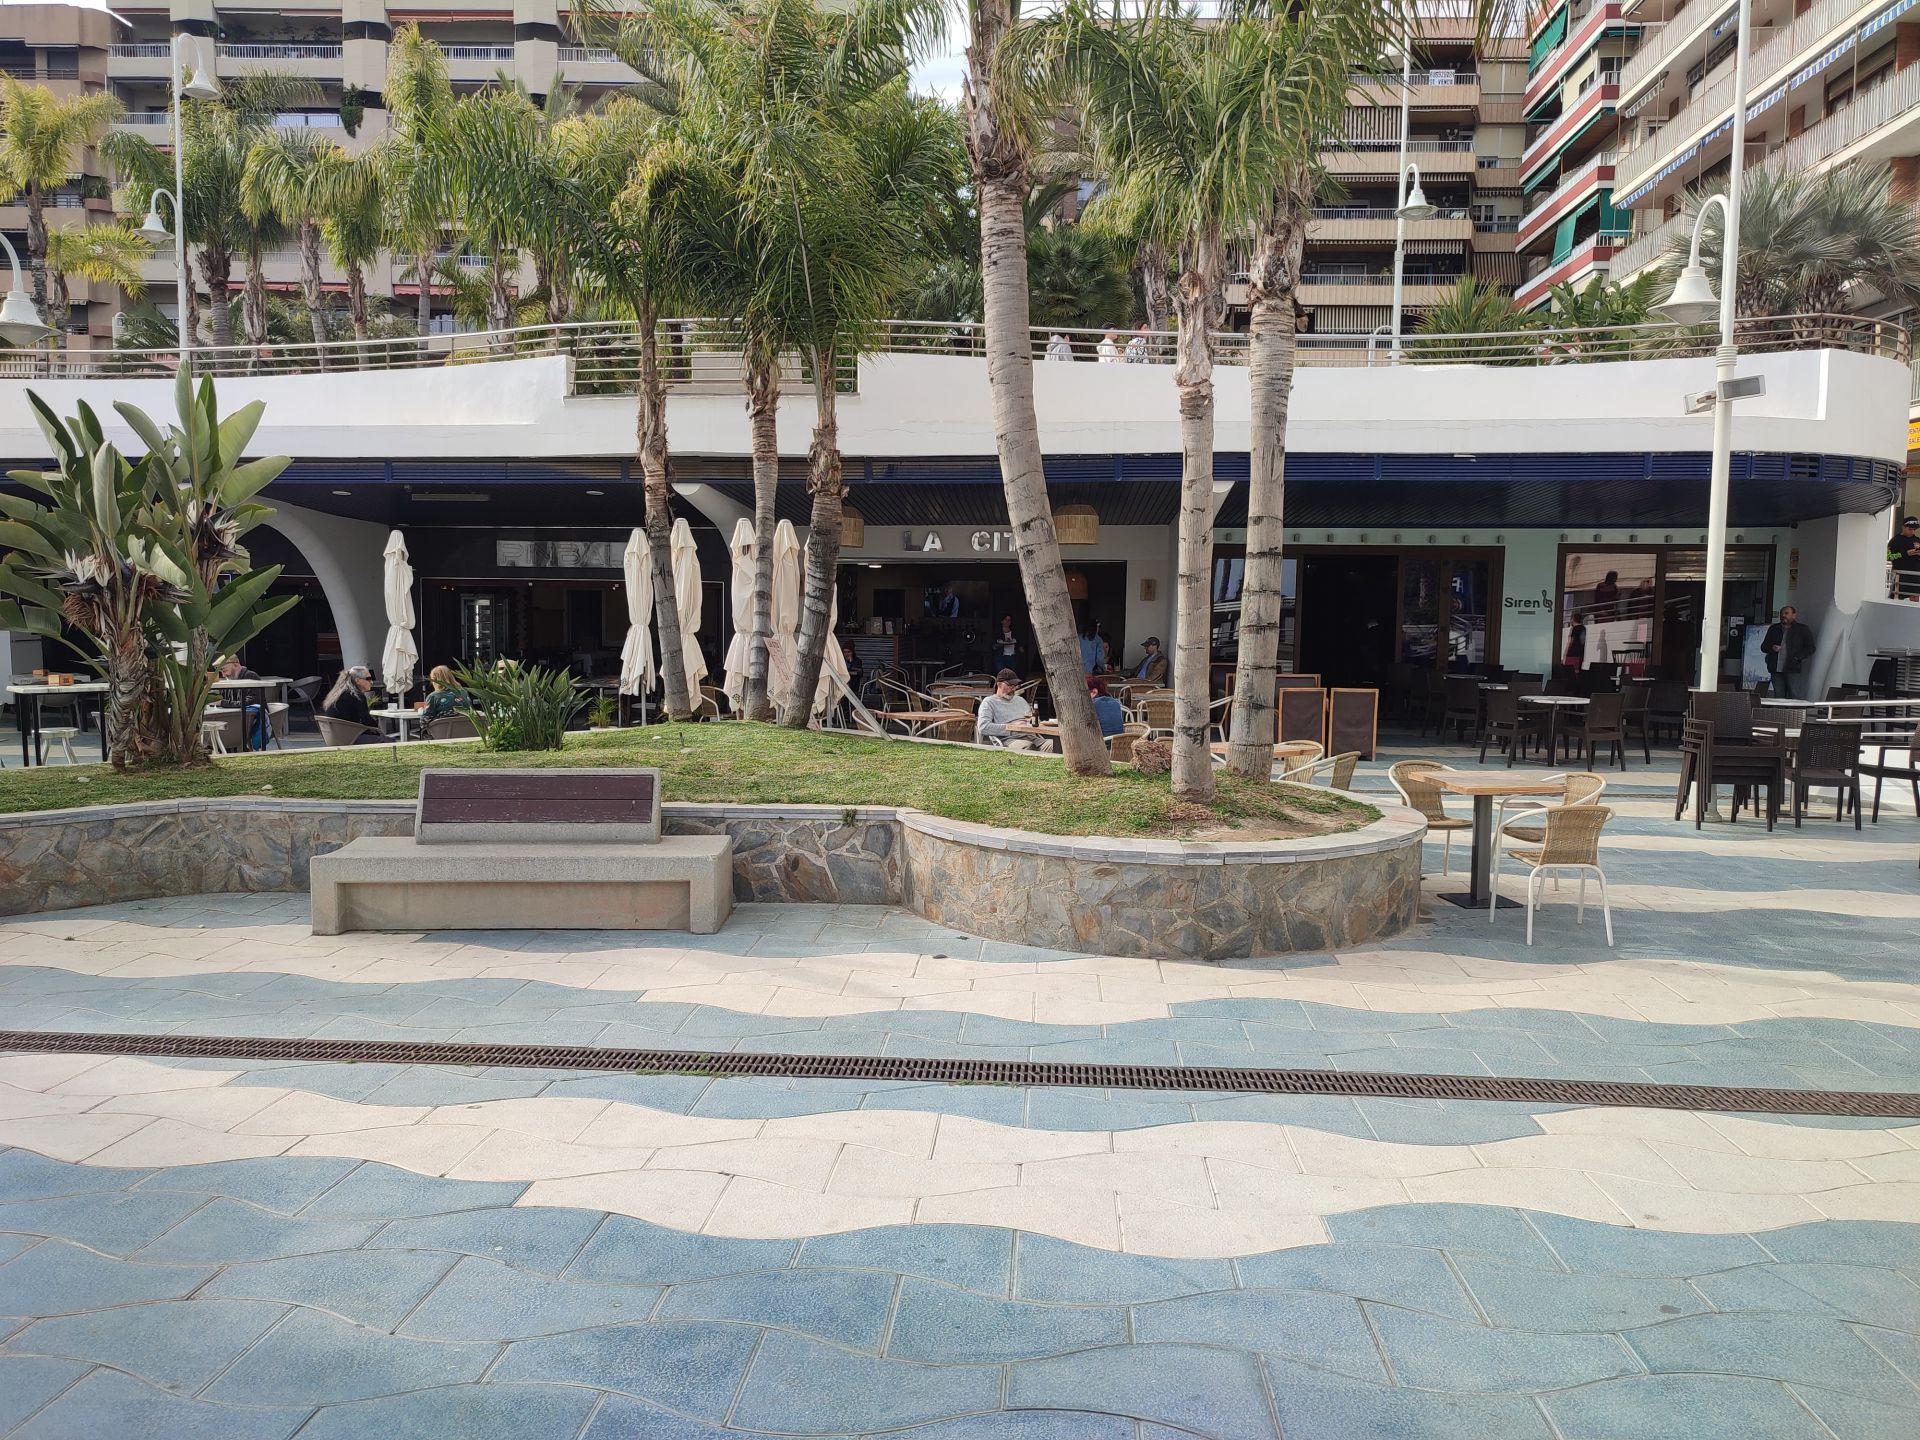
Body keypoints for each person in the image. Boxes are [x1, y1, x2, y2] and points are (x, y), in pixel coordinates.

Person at [1762, 605, 1815, 699]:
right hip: (1775, 668)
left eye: (1786, 613)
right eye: (1781, 613)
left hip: (1792, 667)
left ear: (1794, 615)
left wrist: (1797, 657)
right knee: (1778, 695)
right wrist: (1772, 648)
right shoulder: (1774, 628)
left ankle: (1793, 709)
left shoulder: (1802, 629)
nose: (1783, 615)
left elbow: (1810, 647)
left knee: (1794, 694)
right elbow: (1764, 647)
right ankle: (1779, 709)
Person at [216, 655, 268, 750]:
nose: (223, 675)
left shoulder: (250, 677)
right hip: (234, 722)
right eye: (221, 672)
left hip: (249, 724)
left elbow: (251, 703)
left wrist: (222, 703)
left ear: (235, 665)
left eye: (224, 670)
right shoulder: (229, 681)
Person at [320, 665, 381, 740]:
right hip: (349, 738)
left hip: (333, 738)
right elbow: (367, 721)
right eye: (368, 679)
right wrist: (378, 727)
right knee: (386, 739)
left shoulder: (337, 694)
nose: (371, 682)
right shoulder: (356, 696)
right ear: (357, 681)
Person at [974, 670, 1033, 746]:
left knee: (1049, 745)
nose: (1013, 689)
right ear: (999, 684)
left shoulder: (1021, 700)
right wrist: (1011, 727)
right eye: (1010, 685)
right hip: (1010, 739)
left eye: (1015, 685)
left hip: (1032, 737)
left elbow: (1033, 720)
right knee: (1028, 746)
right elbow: (983, 727)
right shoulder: (989, 702)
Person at [1889, 517, 1920, 596]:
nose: (1912, 531)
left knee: (1914, 600)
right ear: (1903, 527)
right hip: (1900, 576)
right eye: (1910, 529)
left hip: (1916, 576)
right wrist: (1905, 553)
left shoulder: (1918, 540)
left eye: (1914, 529)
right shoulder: (1895, 540)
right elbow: (1889, 557)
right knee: (1897, 598)